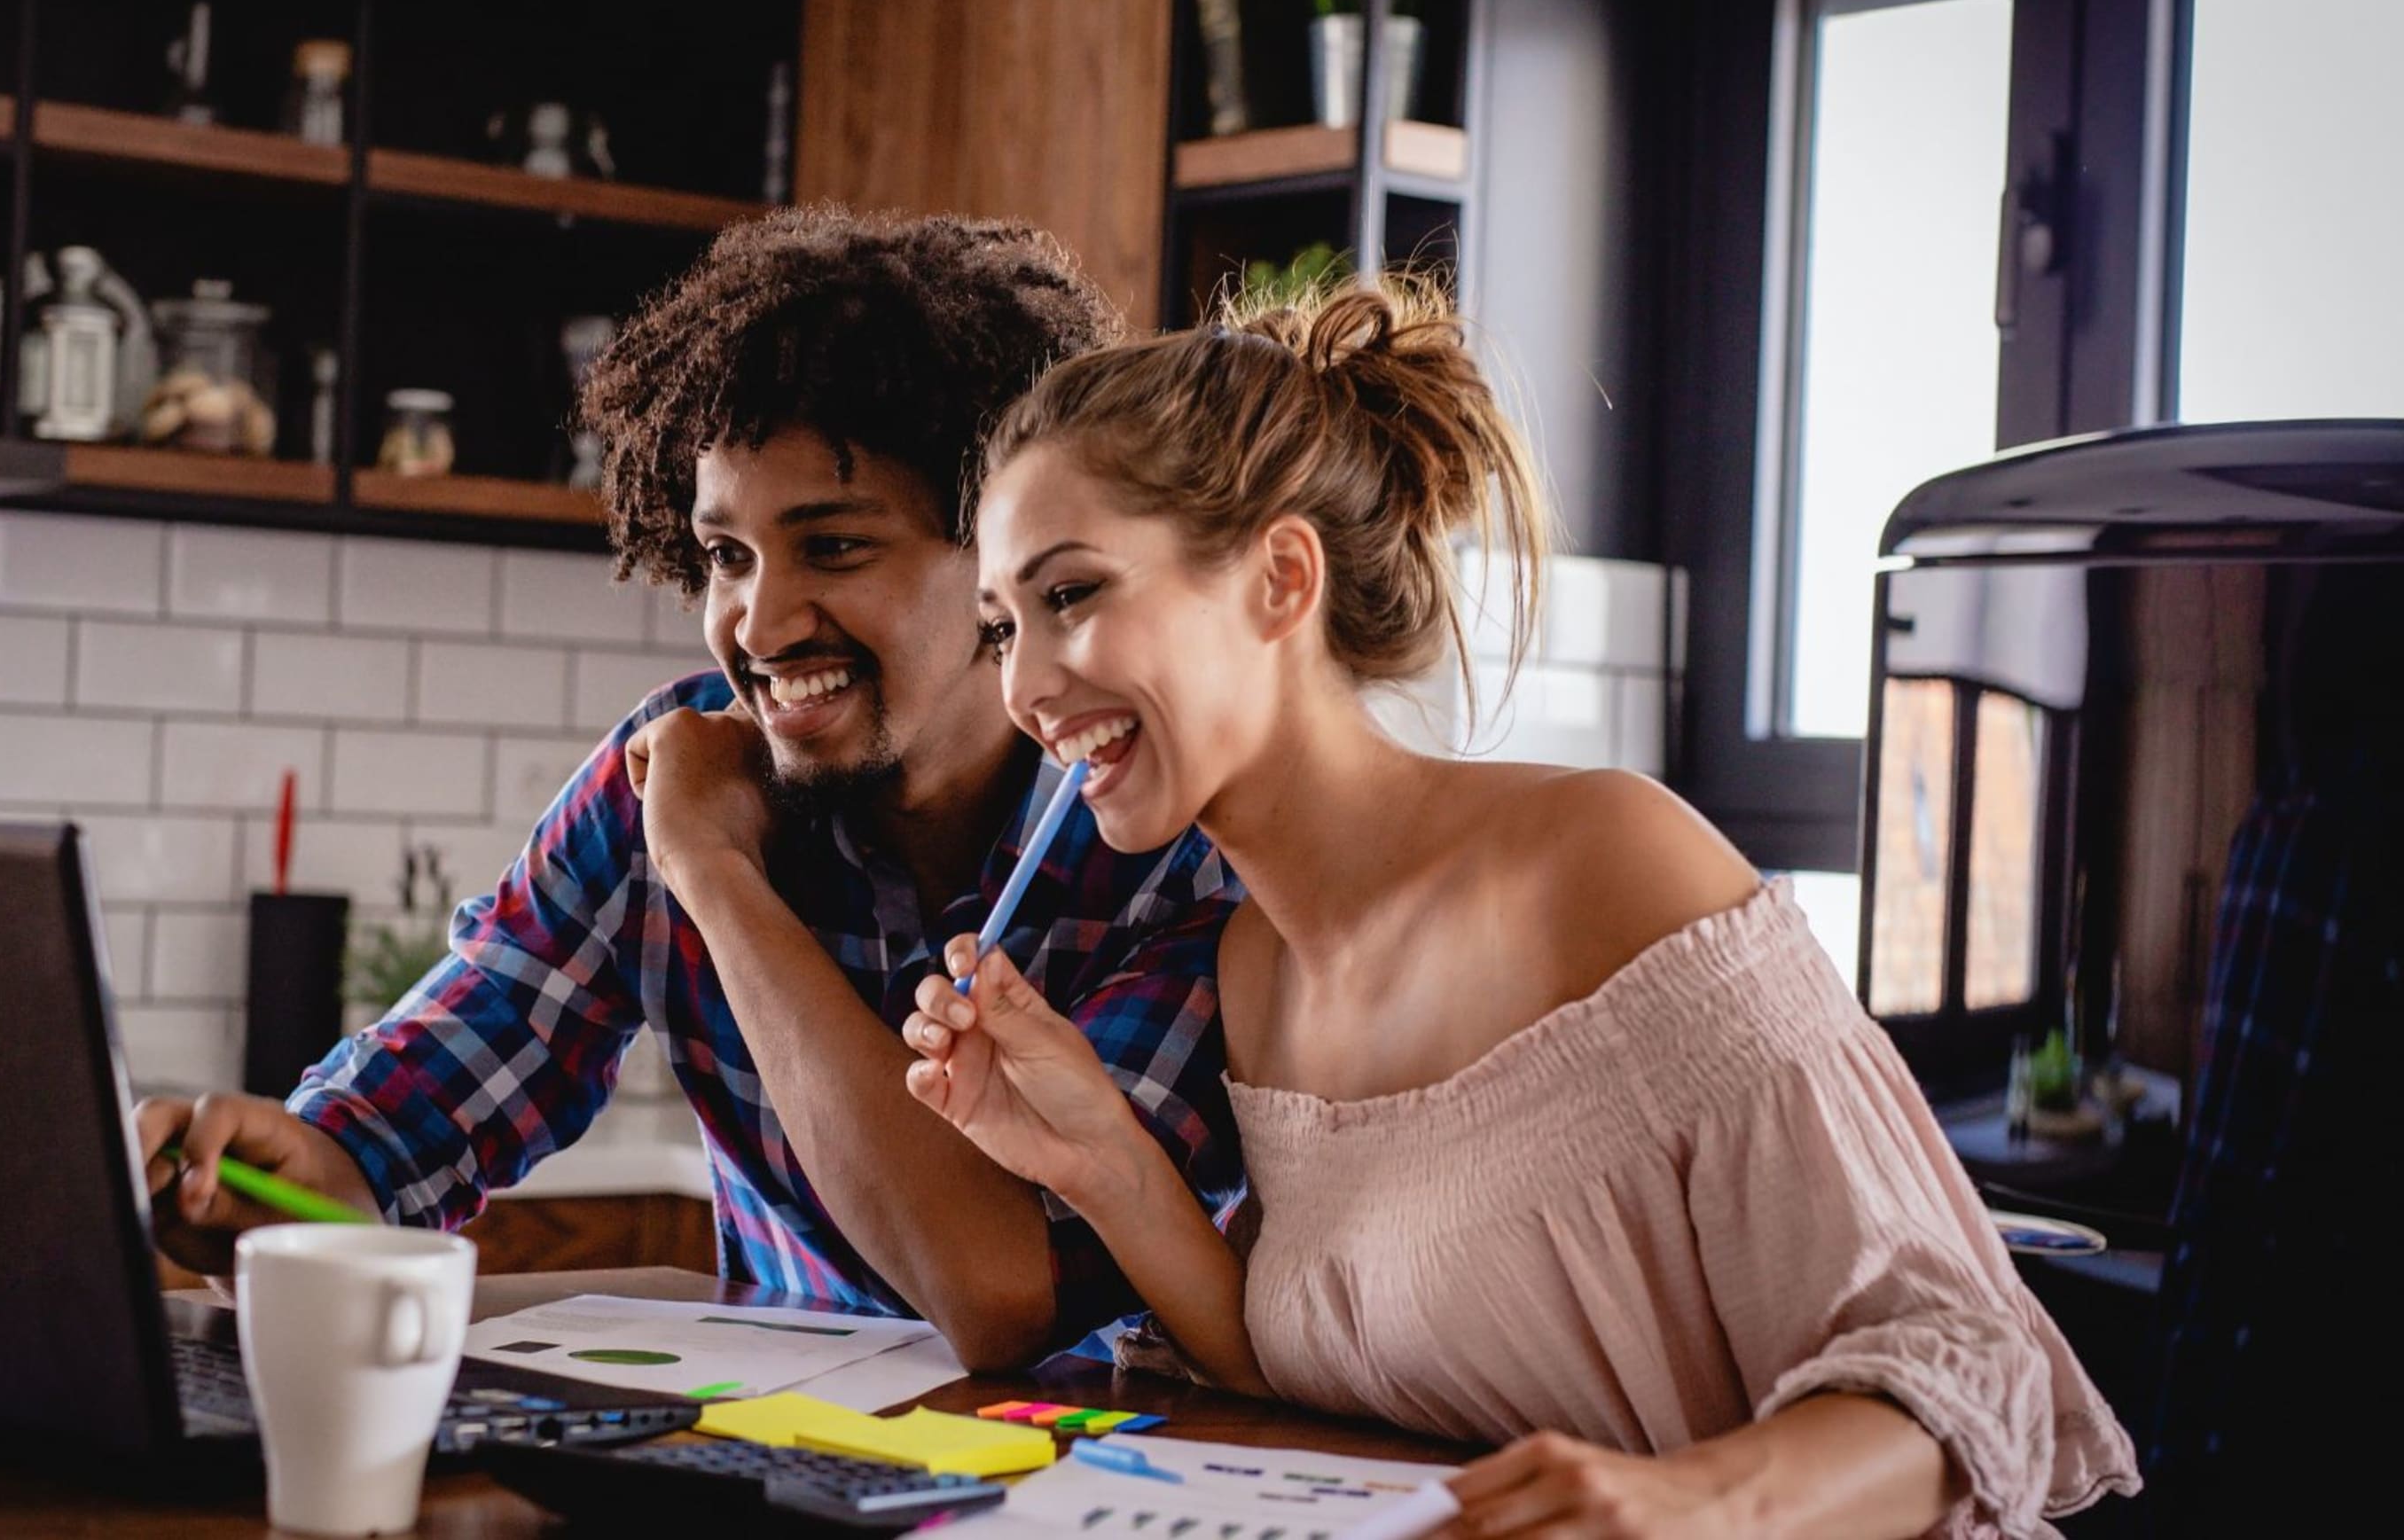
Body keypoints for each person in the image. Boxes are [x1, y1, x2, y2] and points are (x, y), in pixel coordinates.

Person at [904, 279, 2140, 1535]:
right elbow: (1318, 1373)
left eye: (1072, 596)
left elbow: (1974, 1374)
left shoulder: (1604, 864)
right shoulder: (1260, 967)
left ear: (1281, 580)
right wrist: (1100, 1157)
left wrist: (1689, 1507)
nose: (1028, 685)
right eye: (1001, 628)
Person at [136, 209, 1245, 1370]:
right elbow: (412, 1119)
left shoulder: (1159, 845)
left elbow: (1001, 1293)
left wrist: (720, 879)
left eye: (834, 547)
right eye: (728, 556)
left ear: (1000, 559)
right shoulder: (668, 776)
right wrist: (272, 1180)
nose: (756, 625)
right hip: (776, 1466)